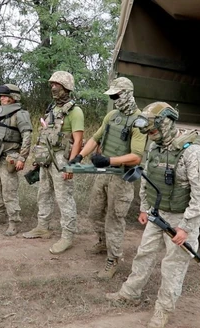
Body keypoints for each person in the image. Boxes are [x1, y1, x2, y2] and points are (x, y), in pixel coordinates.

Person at [105, 102, 200, 328]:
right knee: (144, 254)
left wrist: (186, 228)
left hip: (182, 219)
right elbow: (147, 178)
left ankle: (163, 310)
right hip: (158, 213)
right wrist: (144, 208)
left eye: (154, 130)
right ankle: (130, 293)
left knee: (172, 266)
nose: (150, 135)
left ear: (168, 123)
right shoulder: (155, 148)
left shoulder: (193, 153)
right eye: (148, 132)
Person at [68, 77, 147, 279]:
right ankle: (103, 243)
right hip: (103, 174)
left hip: (121, 177)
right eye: (112, 96)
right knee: (95, 212)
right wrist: (79, 156)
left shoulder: (139, 122)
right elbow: (95, 138)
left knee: (114, 218)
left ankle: (113, 259)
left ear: (127, 94)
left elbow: (137, 156)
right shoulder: (112, 115)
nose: (114, 98)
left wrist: (110, 160)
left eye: (116, 95)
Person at [22, 71, 84, 255]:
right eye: (52, 85)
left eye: (57, 84)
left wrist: (71, 164)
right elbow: (46, 135)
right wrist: (37, 159)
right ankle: (43, 227)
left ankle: (67, 236)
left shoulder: (75, 111)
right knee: (44, 193)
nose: (53, 87)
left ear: (66, 87)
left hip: (62, 159)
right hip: (47, 158)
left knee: (64, 198)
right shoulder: (52, 109)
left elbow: (78, 141)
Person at [0, 84, 33, 236]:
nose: (2, 99)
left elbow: (27, 136)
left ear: (14, 98)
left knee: (9, 191)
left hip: (9, 158)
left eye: (5, 96)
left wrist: (22, 158)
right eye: (1, 96)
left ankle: (14, 221)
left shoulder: (20, 114)